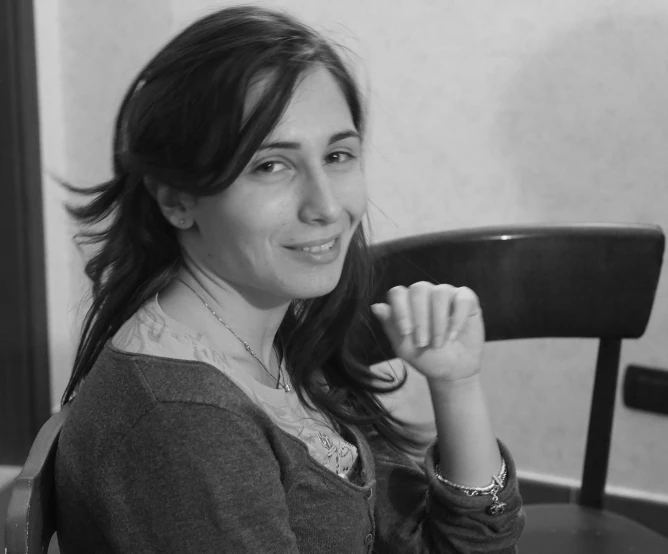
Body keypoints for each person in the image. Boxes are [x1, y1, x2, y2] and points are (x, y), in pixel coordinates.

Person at [54, 5, 525, 553]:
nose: (326, 205)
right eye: (270, 165)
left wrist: (457, 383)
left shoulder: (277, 337)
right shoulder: (188, 425)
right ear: (178, 200)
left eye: (339, 154)